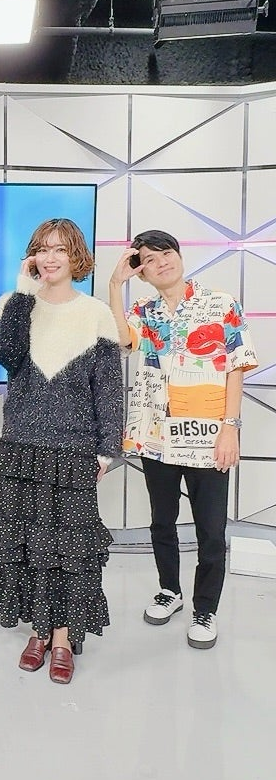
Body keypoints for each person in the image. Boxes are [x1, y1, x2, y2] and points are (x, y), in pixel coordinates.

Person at [0, 218, 123, 684]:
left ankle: (62, 638)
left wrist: (108, 449)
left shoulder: (96, 313)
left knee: (70, 548)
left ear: (75, 256)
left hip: (75, 449)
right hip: (22, 447)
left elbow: (109, 387)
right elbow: (5, 354)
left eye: (60, 249)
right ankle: (37, 631)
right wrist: (24, 292)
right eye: (42, 249)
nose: (50, 257)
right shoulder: (13, 304)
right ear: (32, 256)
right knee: (28, 545)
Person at [109, 229, 258, 650]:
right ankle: (169, 590)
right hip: (155, 432)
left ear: (179, 255)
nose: (161, 263)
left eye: (166, 253)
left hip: (209, 433)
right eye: (149, 260)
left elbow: (236, 366)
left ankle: (205, 609)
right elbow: (122, 339)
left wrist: (231, 427)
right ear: (142, 272)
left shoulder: (221, 304)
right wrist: (115, 284)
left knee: (211, 529)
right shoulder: (143, 311)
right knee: (162, 520)